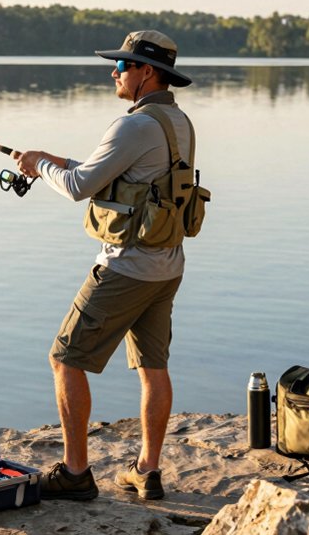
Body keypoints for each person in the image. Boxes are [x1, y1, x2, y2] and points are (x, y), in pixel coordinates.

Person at [12, 30, 195, 502]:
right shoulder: (179, 122)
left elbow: (78, 187)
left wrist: (40, 165)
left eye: (123, 65)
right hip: (167, 267)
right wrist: (48, 160)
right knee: (153, 366)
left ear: (146, 73)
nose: (114, 71)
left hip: (126, 268)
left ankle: (75, 473)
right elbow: (114, 175)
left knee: (65, 358)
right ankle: (147, 470)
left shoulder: (132, 125)